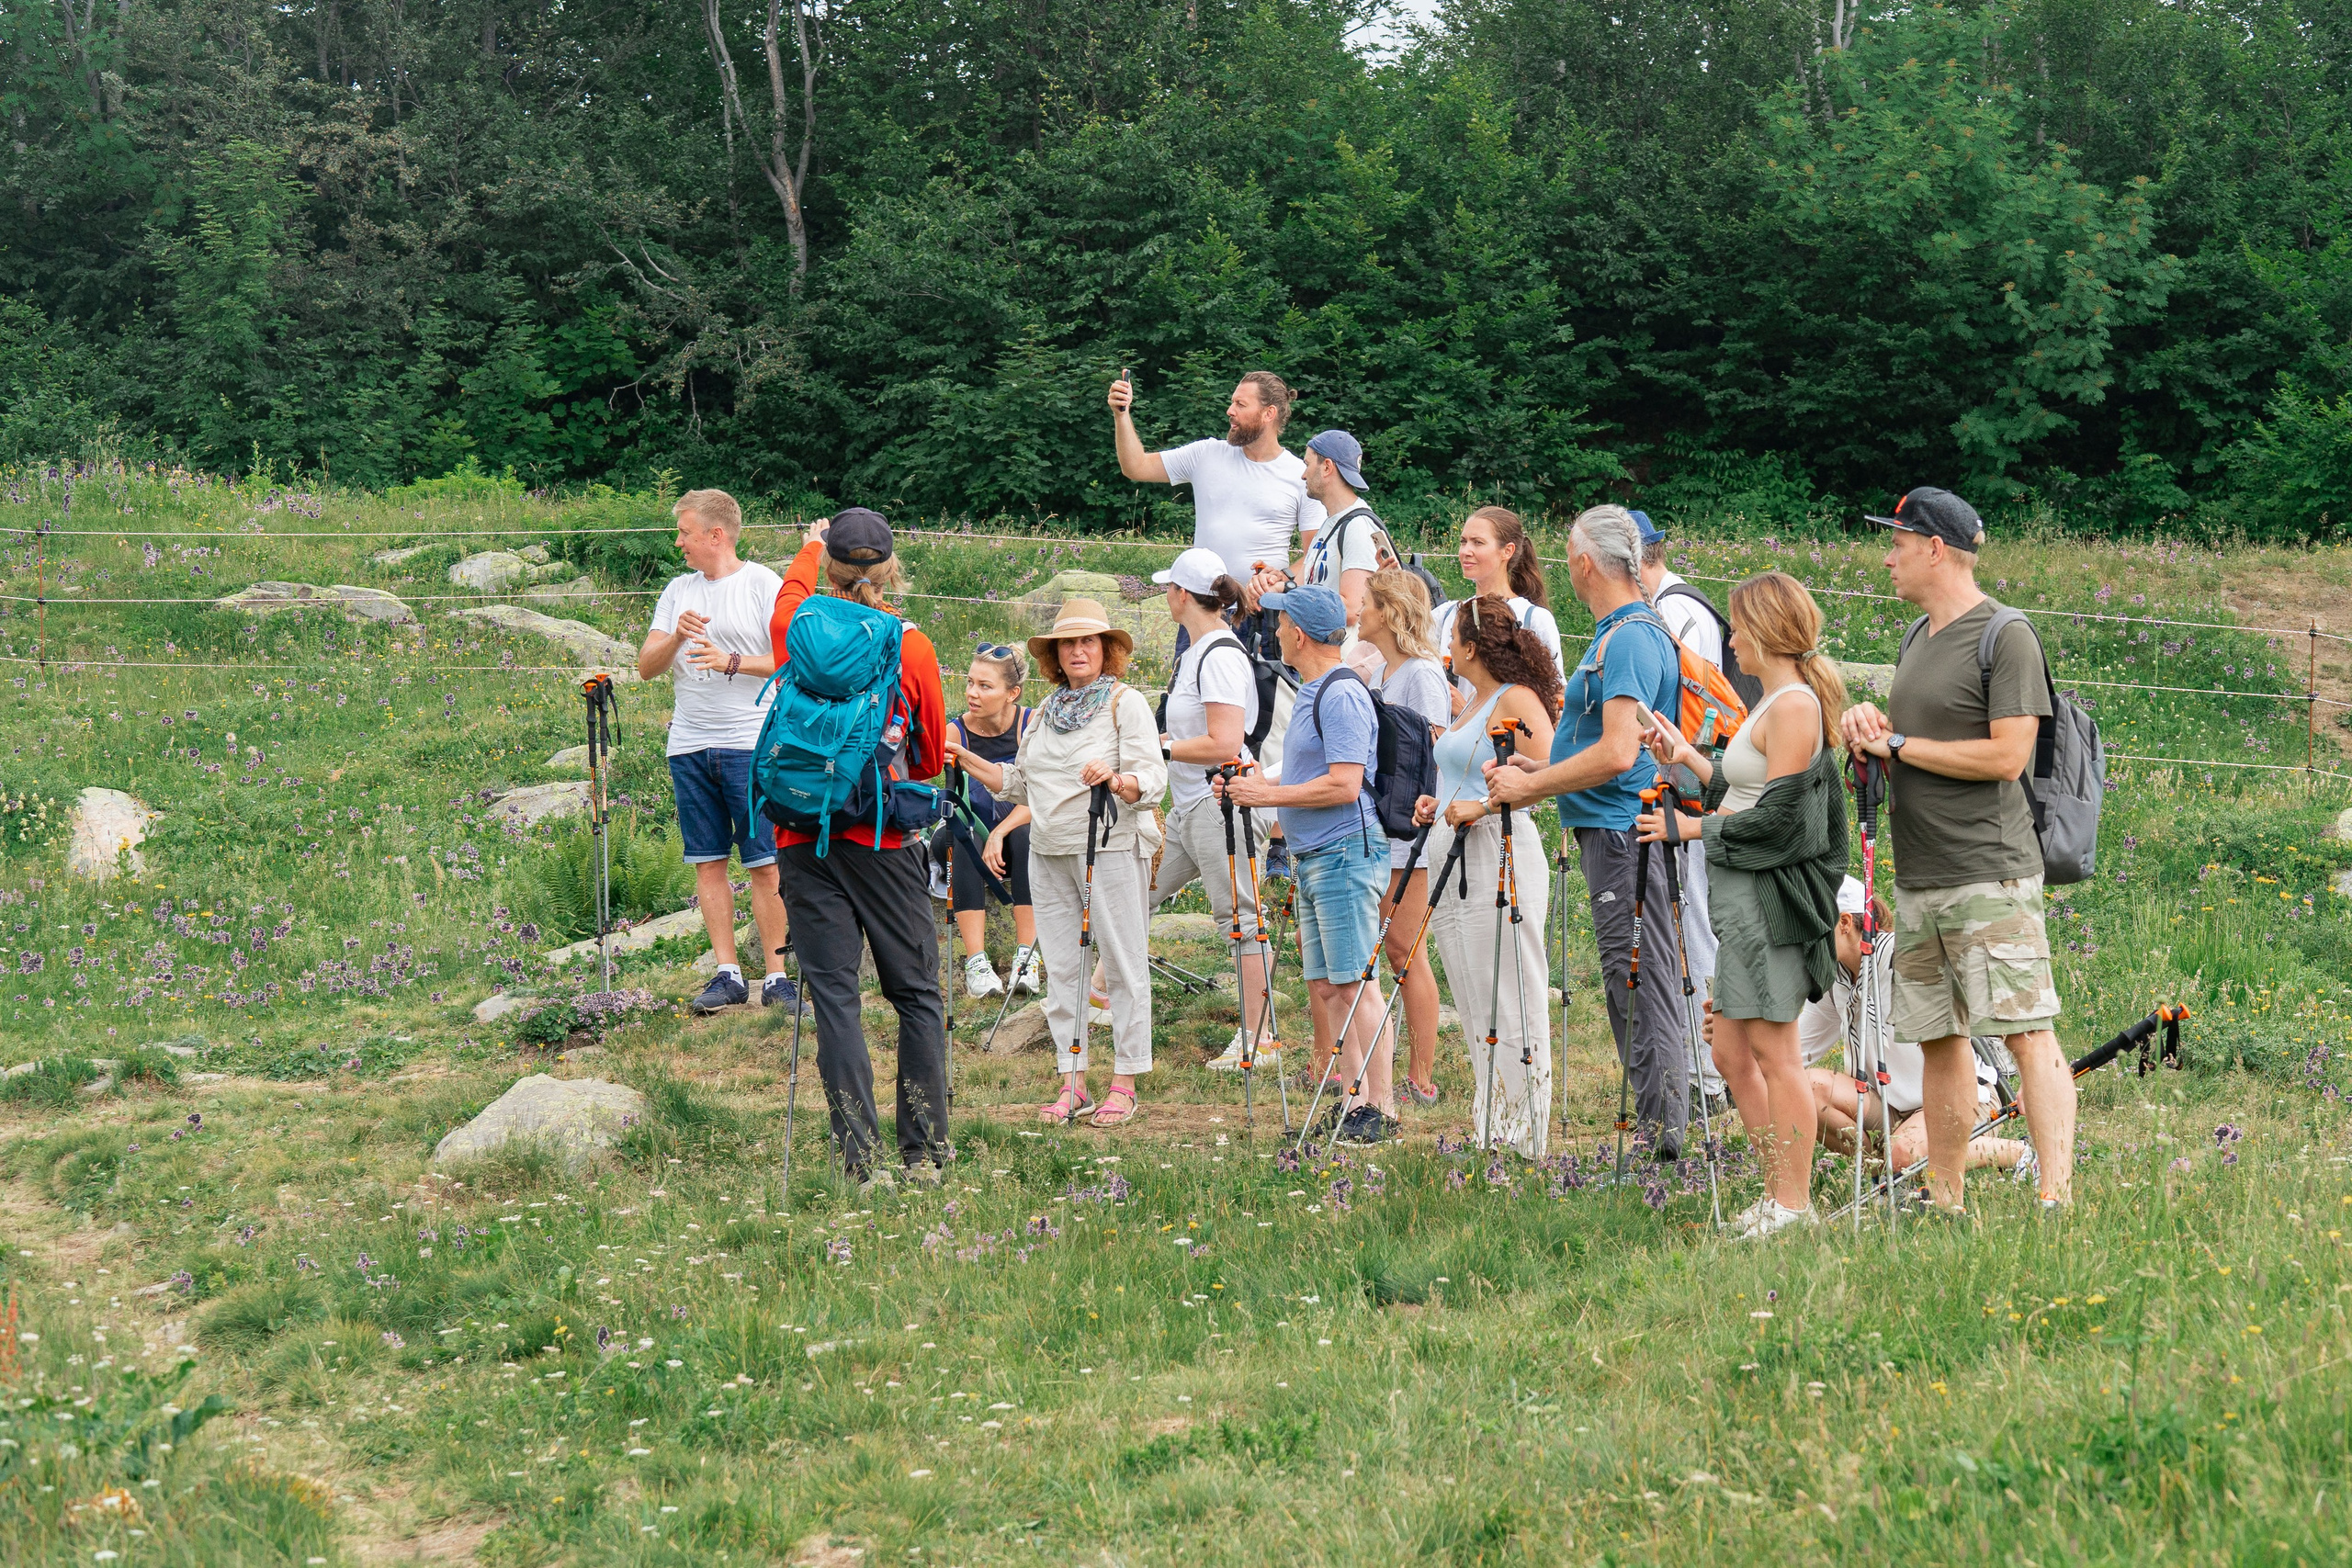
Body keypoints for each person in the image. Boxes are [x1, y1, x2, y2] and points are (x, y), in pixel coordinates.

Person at [1839, 486, 2071, 1220]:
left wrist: (1901, 743)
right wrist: (1867, 724)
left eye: (1898, 543)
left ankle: (2054, 1196)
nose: (1889, 557)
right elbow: (1904, 737)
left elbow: (2008, 756)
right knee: (1942, 1039)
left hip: (1989, 870)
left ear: (1935, 548)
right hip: (1922, 874)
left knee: (2028, 1032)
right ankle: (1947, 1198)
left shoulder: (2007, 635)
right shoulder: (1916, 638)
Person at [1636, 570, 1850, 1238]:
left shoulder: (1795, 707)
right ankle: (1775, 1191)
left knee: (1776, 1055)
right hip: (1738, 904)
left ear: (1763, 629)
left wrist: (1693, 826)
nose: (1732, 638)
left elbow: (1784, 819)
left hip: (1766, 902)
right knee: (1730, 1050)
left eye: (1738, 624)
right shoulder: (1772, 703)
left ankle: (1793, 1202)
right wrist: (1689, 759)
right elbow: (1743, 786)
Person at [1488, 504, 1690, 1157]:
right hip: (1609, 828)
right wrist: (1544, 763)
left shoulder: (1629, 637)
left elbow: (1617, 752)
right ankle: (1661, 1133)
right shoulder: (1620, 630)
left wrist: (1531, 786)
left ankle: (1663, 1141)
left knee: (1637, 977)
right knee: (1627, 977)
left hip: (1620, 832)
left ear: (1583, 562)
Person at [764, 508, 950, 1191]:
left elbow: (787, 595)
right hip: (881, 835)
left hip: (800, 835)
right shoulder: (912, 644)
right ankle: (924, 1152)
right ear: (891, 568)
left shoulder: (797, 627)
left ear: (830, 566)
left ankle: (858, 1163)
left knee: (837, 997)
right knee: (916, 994)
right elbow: (927, 753)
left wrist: (808, 548)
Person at [963, 599, 1166, 1128]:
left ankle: (1125, 1080)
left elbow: (1153, 779)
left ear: (1106, 650)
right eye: (1068, 644)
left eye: (1089, 642)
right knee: (1061, 967)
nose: (1078, 651)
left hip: (1111, 847)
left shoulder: (1126, 704)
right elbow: (1019, 784)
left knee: (1122, 963)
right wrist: (963, 756)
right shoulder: (1047, 714)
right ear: (1055, 655)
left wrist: (1119, 780)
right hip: (1049, 851)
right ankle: (1072, 1080)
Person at [1213, 584, 1390, 1144]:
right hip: (1318, 855)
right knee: (1328, 985)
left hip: (1344, 851)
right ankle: (1351, 1100)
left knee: (1356, 983)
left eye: (1281, 623)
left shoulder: (1339, 694)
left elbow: (1345, 783)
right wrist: (1252, 780)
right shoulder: (1315, 689)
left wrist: (1264, 798)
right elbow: (1302, 773)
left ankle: (1381, 1108)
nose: (1275, 632)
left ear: (1302, 634)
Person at [1109, 368, 1321, 787]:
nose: (1230, 411)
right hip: (1204, 611)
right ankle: (1179, 802)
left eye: (1241, 405)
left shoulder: (1298, 475)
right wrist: (1122, 415)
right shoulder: (1208, 454)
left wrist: (1279, 581)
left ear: (1269, 413)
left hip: (1265, 618)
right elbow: (1135, 467)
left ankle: (1263, 822)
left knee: (1263, 726)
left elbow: (1311, 555)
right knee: (1184, 712)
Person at [635, 489, 794, 1015]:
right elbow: (646, 666)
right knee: (707, 862)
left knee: (765, 862)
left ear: (715, 535)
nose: (678, 542)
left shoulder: (762, 584)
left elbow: (789, 660)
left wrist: (730, 660)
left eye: (684, 532)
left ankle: (776, 975)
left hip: (750, 743)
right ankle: (728, 973)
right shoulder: (678, 590)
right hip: (688, 744)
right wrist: (676, 637)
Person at [1417, 595, 1559, 1153]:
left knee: (1511, 993)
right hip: (1449, 852)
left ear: (1471, 647)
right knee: (1475, 993)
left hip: (1498, 851)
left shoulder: (1515, 699)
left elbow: (1550, 772)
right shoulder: (1471, 701)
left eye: (1451, 636)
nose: (1445, 645)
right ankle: (1492, 1121)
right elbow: (1463, 773)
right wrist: (1437, 801)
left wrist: (1483, 806)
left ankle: (1527, 1135)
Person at [1790, 878, 2033, 1182]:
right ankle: (1889, 1170)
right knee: (1805, 1086)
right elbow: (1791, 1057)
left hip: (1961, 1096)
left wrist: (2030, 1073)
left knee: (1905, 1152)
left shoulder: (1903, 954)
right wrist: (1740, 1046)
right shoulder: (1833, 979)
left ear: (1844, 922)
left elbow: (1983, 998)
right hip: (1889, 1105)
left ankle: (2017, 1153)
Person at [1146, 547, 1270, 1070]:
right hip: (1190, 807)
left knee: (1240, 918)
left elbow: (1224, 741)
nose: (1165, 595)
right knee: (1136, 893)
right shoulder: (1197, 651)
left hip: (1222, 806)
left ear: (1181, 595)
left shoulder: (1219, 655)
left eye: (1168, 588)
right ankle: (1102, 995)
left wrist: (1161, 748)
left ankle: (1259, 1036)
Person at [1634, 510, 1727, 1108]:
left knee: (1695, 925)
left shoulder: (1676, 612)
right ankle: (1705, 1069)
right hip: (1683, 780)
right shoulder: (1673, 606)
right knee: (1684, 922)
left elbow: (1666, 708)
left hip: (1690, 787)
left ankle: (1710, 1076)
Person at [1354, 569, 1453, 1108]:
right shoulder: (1385, 677)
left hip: (1410, 834)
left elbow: (1433, 752)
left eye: (1367, 603)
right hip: (1385, 832)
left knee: (1404, 949)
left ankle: (1421, 1077)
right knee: (1391, 948)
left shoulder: (1419, 675)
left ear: (1390, 614)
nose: (1358, 611)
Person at [933, 644, 1041, 999]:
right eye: (969, 683)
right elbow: (950, 800)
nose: (971, 693)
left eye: (984, 686)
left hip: (1013, 834)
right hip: (965, 833)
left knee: (1028, 831)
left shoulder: (1030, 725)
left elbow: (1041, 796)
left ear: (1013, 693)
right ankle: (976, 962)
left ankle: (1027, 956)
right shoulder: (955, 732)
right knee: (961, 835)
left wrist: (1000, 832)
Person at [1430, 506, 1566, 707]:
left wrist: (1466, 710)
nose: (1466, 551)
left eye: (1478, 543)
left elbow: (1556, 695)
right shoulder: (1446, 615)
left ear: (1507, 551)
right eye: (1463, 541)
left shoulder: (1532, 617)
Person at [1250, 428, 1385, 626]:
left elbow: (1353, 610)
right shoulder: (1331, 524)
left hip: (1345, 656)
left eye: (1307, 464)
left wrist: (1288, 596)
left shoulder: (1358, 527)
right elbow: (1307, 587)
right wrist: (1276, 584)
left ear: (1327, 467)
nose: (1303, 475)